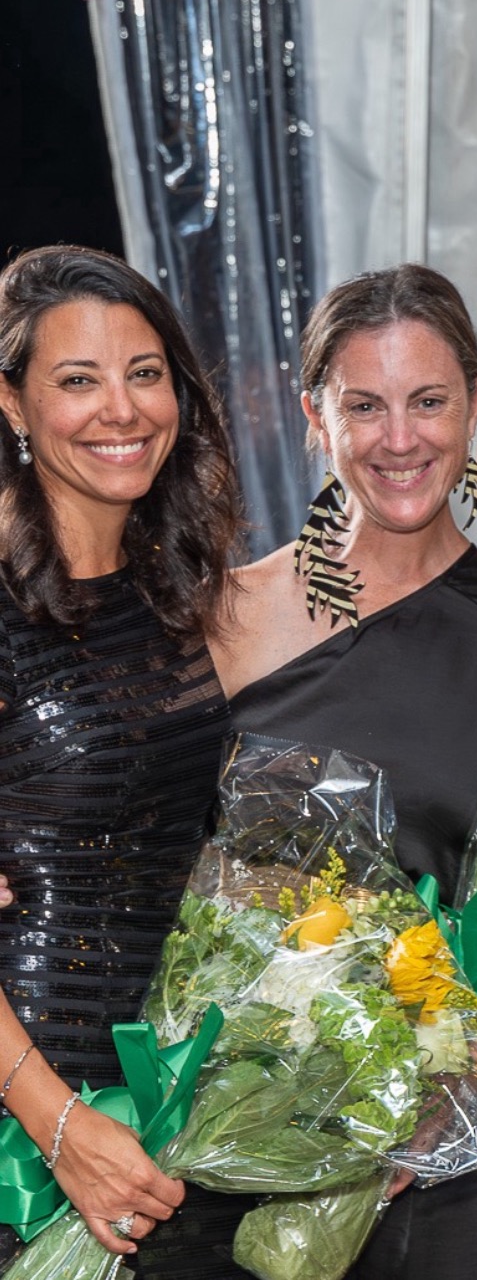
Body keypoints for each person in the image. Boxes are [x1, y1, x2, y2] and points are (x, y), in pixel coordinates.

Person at [210, 264, 477, 1280]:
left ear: (474, 404)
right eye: (362, 406)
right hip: (258, 1139)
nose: (400, 438)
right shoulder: (229, 617)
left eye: (428, 401)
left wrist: (444, 1084)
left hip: (465, 1152)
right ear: (314, 420)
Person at [0, 245, 241, 1269]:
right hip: (25, 1139)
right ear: (11, 406)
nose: (122, 409)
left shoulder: (175, 583)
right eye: (76, 380)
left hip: (164, 1122)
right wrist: (58, 1130)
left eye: (145, 373)